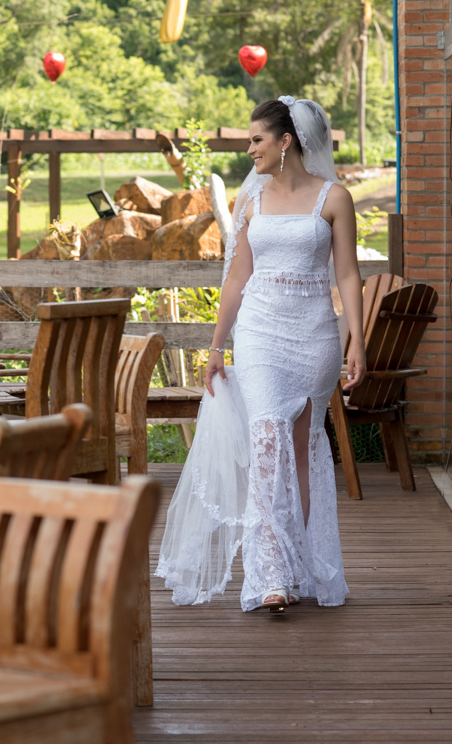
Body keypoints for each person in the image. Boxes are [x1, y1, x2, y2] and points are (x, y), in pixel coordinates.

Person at [155, 96, 365, 613]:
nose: (250, 149)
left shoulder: (334, 198)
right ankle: (270, 574)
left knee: (303, 450)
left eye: (256, 140)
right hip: (259, 331)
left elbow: (347, 274)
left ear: (286, 141)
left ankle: (298, 567)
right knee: (267, 441)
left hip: (314, 333)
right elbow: (236, 278)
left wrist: (356, 338)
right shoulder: (252, 200)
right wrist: (216, 344)